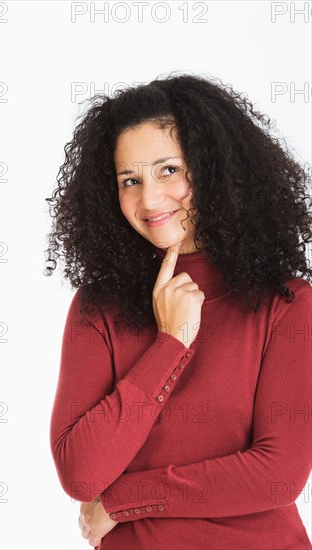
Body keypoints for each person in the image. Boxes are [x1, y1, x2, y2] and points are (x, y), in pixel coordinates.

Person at [44, 72, 312, 549]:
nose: (149, 198)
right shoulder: (98, 308)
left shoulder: (286, 305)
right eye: (130, 179)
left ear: (213, 170)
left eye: (169, 170)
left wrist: (123, 501)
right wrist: (171, 343)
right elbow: (81, 475)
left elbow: (279, 473)